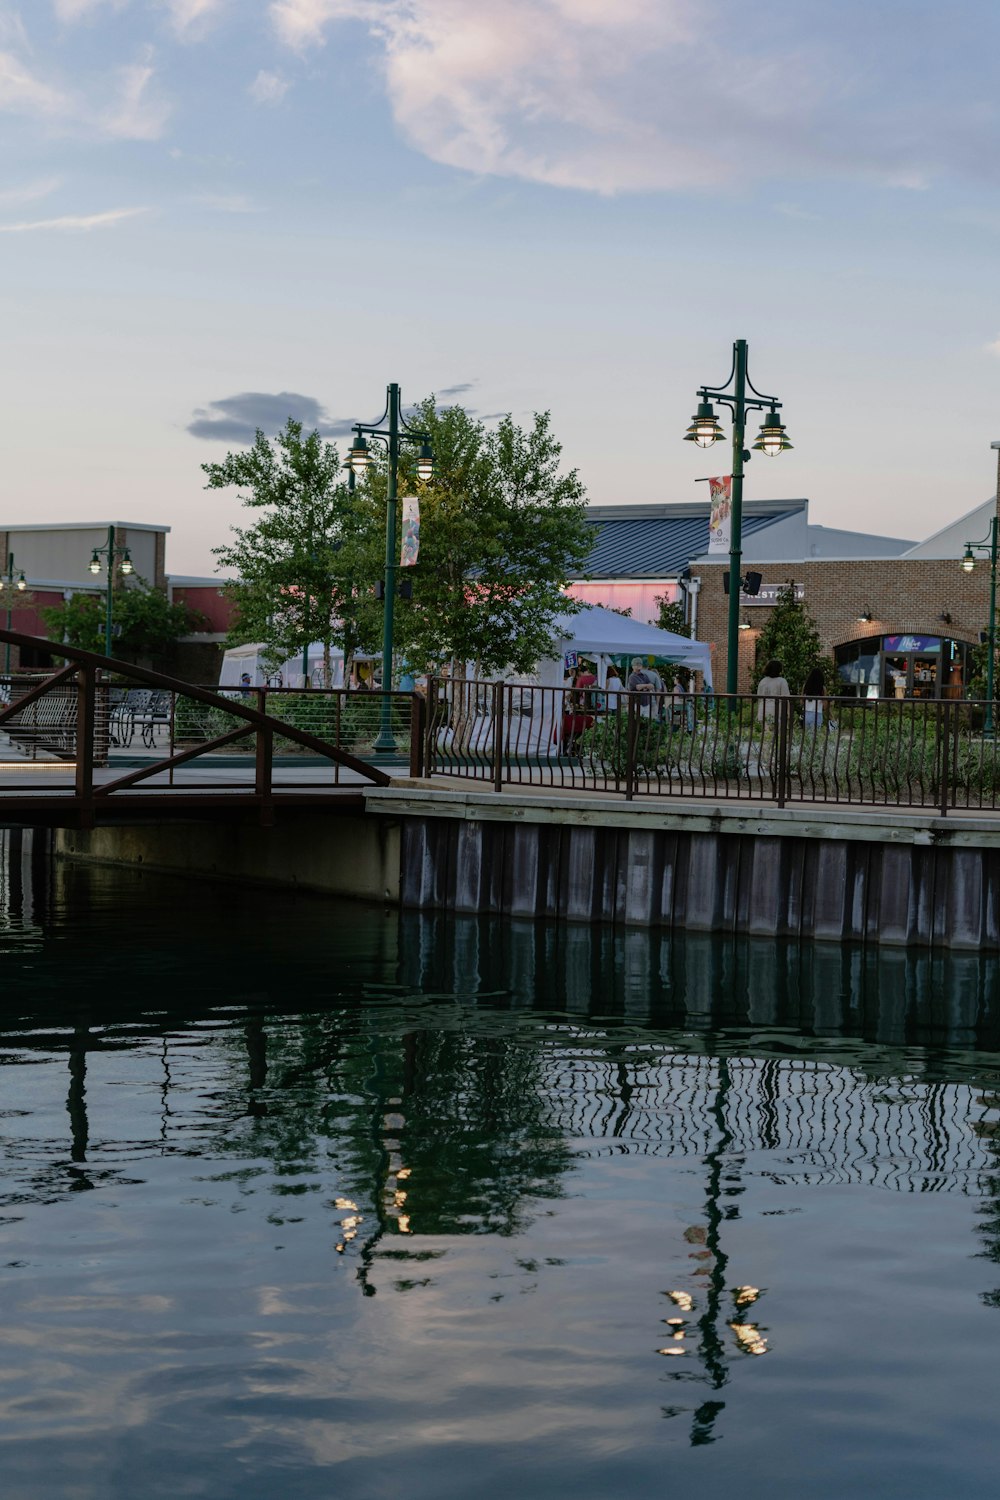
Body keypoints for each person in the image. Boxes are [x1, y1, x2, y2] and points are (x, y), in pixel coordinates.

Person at [756, 658, 790, 722]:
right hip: (776, 711)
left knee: (764, 731)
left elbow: (759, 698)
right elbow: (786, 698)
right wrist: (788, 713)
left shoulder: (763, 681)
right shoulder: (782, 681)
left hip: (762, 709)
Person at [802, 665, 826, 730]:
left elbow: (802, 701)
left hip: (806, 713)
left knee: (807, 735)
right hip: (817, 713)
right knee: (815, 735)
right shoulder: (822, 688)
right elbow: (825, 705)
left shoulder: (806, 687)